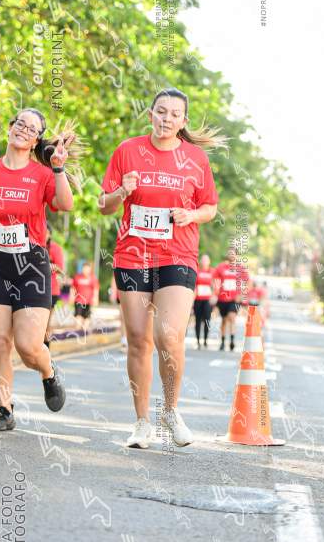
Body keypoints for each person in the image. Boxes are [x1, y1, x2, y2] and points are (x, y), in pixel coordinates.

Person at [99, 87, 224, 449]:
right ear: (150, 114)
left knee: (168, 336)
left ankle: (170, 410)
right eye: (161, 111)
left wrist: (191, 215)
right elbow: (104, 204)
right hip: (132, 256)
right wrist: (122, 193)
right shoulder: (127, 150)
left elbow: (210, 207)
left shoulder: (195, 159)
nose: (167, 118)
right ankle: (142, 423)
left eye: (174, 114)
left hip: (177, 255)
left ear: (183, 121)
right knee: (139, 340)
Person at [0, 108, 75, 431]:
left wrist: (58, 168)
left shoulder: (42, 174)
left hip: (31, 266)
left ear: (36, 140)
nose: (23, 129)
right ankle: (5, 410)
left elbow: (65, 204)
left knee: (27, 346)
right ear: (10, 128)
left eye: (32, 128)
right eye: (20, 123)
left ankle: (48, 371)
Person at [213, 248, 249, 351]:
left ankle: (232, 341)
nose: (231, 255)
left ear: (236, 256)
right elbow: (214, 280)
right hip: (222, 298)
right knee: (224, 320)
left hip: (235, 299)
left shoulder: (240, 268)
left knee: (232, 317)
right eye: (229, 253)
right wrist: (215, 292)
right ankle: (223, 341)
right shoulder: (221, 267)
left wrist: (242, 294)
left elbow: (248, 281)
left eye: (233, 254)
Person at [44, 223, 65, 350]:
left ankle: (46, 350)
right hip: (34, 289)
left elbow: (61, 270)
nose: (44, 235)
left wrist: (53, 267)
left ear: (50, 234)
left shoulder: (55, 249)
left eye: (46, 232)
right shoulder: (34, 247)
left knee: (45, 322)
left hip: (51, 290)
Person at [193, 254, 215, 349]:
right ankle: (198, 341)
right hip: (198, 299)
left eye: (206, 260)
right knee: (197, 320)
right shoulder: (197, 271)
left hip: (207, 300)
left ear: (209, 262)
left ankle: (205, 340)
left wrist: (214, 295)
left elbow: (215, 285)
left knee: (207, 320)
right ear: (200, 261)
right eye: (203, 260)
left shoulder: (212, 272)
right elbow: (194, 285)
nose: (204, 262)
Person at [72, 261, 99, 331]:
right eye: (84, 268)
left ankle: (84, 331)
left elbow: (96, 289)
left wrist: (95, 298)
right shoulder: (77, 277)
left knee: (87, 318)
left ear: (90, 269)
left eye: (87, 268)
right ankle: (78, 330)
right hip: (79, 301)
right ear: (82, 269)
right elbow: (73, 288)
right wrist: (71, 297)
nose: (86, 270)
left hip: (88, 302)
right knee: (78, 316)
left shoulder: (93, 278)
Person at [110, 273, 127, 350]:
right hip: (121, 293)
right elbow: (114, 277)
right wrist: (113, 293)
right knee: (123, 318)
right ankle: (124, 340)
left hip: (136, 293)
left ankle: (132, 339)